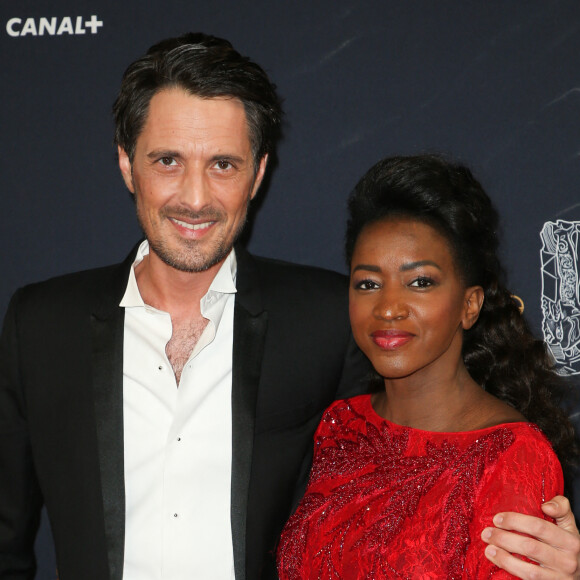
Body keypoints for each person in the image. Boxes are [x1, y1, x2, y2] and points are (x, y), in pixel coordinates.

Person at [0, 35, 577, 580]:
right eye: (168, 161)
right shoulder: (42, 327)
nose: (195, 197)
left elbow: (437, 443)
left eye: (222, 164)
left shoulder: (325, 319)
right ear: (128, 164)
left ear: (258, 174)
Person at [277, 154, 580, 578]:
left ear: (469, 304)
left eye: (420, 282)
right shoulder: (341, 426)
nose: (388, 308)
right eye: (368, 283)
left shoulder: (509, 458)